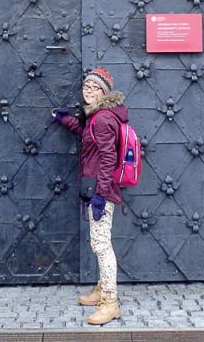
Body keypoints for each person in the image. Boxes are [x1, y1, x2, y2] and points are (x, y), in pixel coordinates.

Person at [52, 67, 128, 325]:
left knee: (102, 245)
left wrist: (101, 194)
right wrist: (67, 121)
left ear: (104, 92)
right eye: (86, 86)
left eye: (95, 88)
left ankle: (110, 302)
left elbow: (109, 157)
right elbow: (89, 138)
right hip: (95, 187)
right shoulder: (96, 117)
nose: (89, 91)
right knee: (99, 242)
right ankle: (101, 288)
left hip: (101, 191)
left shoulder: (104, 118)